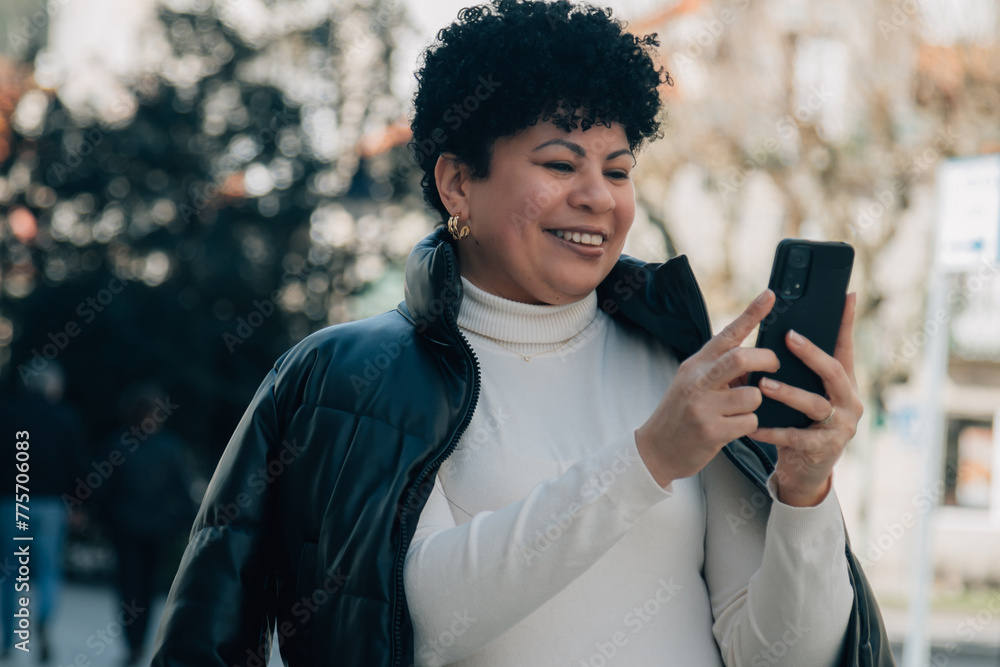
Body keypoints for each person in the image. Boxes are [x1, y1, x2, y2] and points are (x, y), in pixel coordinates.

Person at [152, 1, 894, 665]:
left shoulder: (680, 367)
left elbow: (779, 656)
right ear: (457, 184)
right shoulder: (355, 377)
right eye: (559, 163)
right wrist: (647, 460)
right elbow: (420, 624)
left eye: (618, 168)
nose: (597, 197)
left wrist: (804, 494)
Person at [0, 363, 85, 663]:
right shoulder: (65, 419)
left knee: (10, 573)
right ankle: (44, 619)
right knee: (49, 570)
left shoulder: (7, 415)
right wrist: (77, 504)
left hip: (12, 501)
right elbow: (77, 464)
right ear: (53, 387)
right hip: (50, 504)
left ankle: (8, 639)